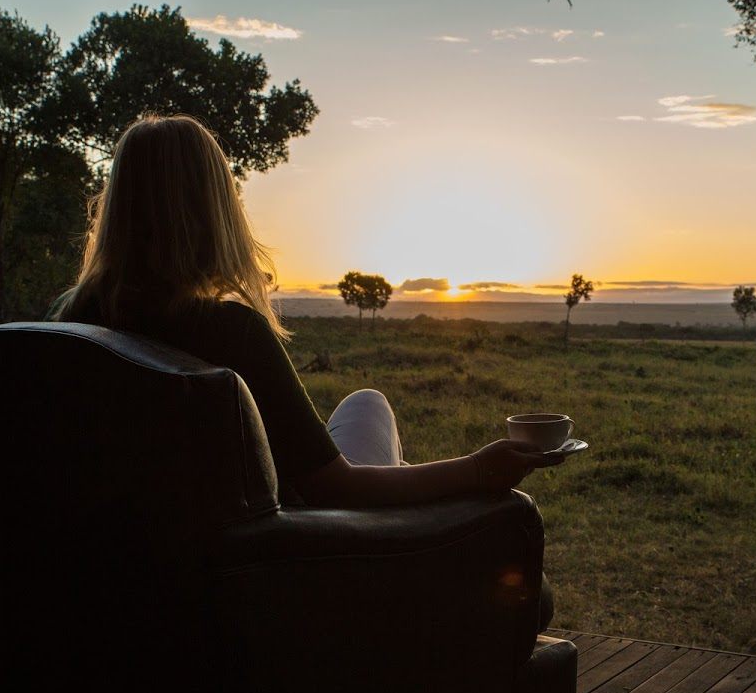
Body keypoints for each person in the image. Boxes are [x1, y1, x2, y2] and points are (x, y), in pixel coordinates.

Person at [51, 114, 564, 511]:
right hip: (281, 561)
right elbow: (335, 487)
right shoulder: (228, 333)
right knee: (370, 405)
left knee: (364, 405)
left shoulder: (67, 329)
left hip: (124, 587)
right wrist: (476, 469)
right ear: (215, 212)